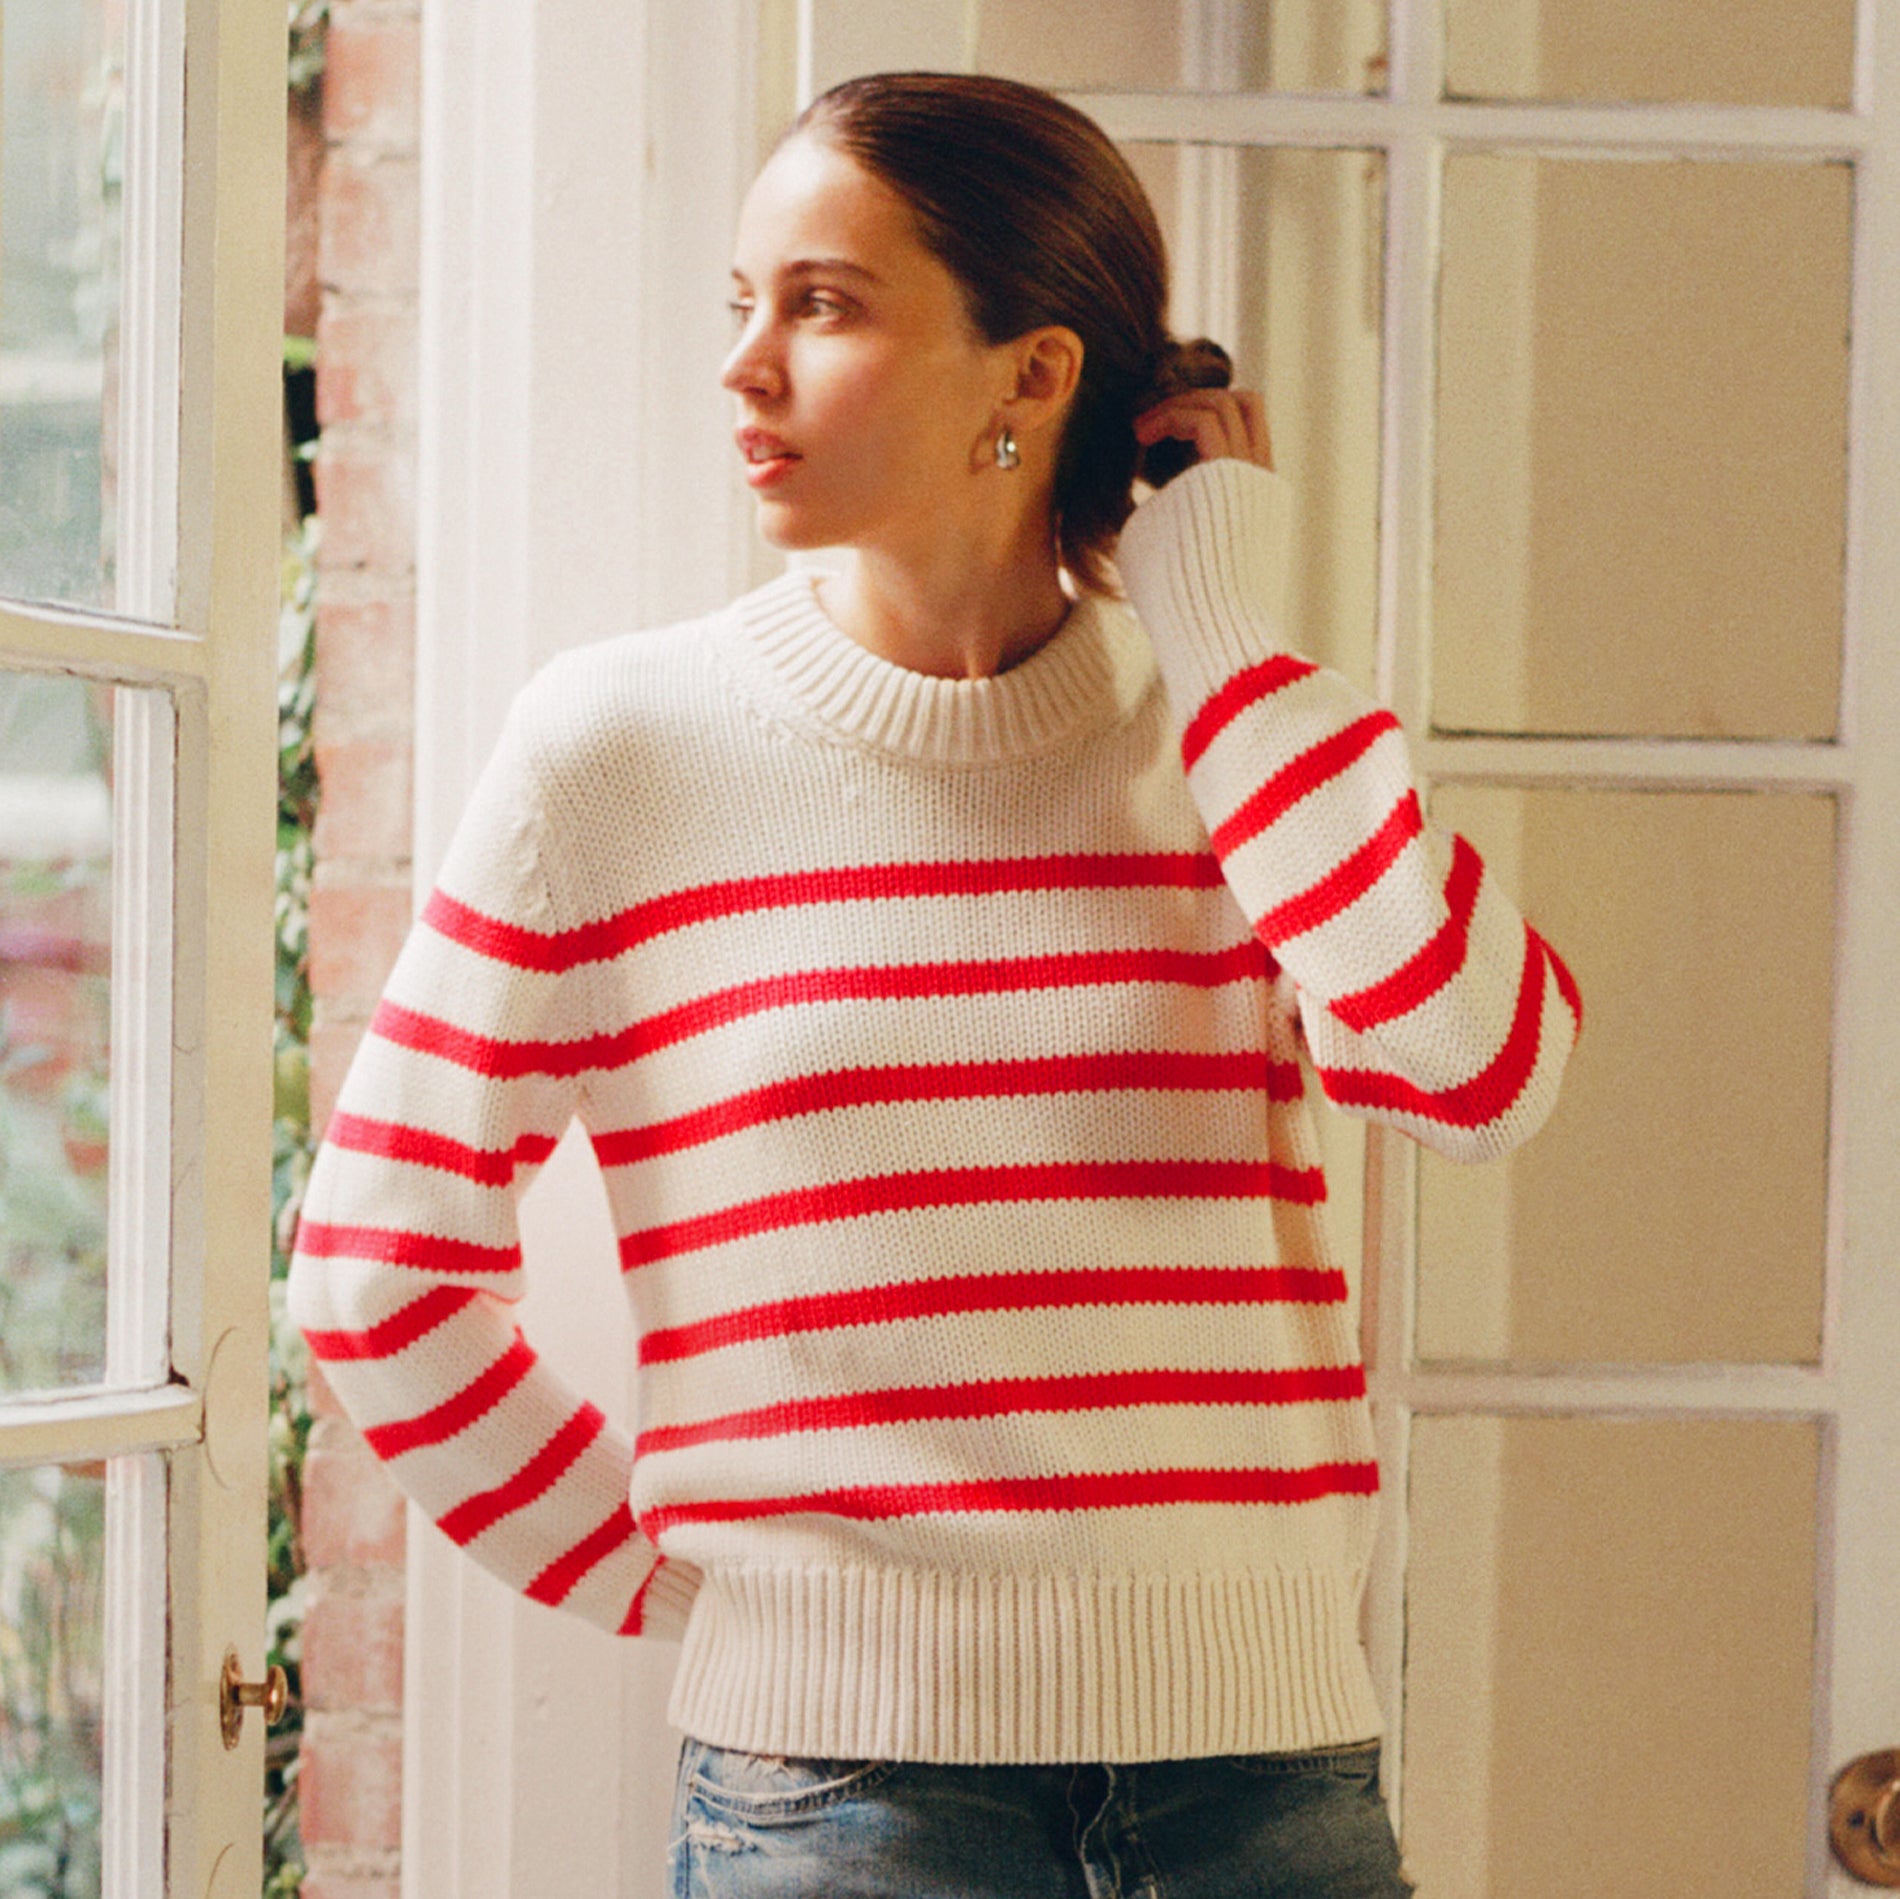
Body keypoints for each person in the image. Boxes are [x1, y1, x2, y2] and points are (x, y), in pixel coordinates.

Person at [289, 71, 1579, 1898]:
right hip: (847, 1812)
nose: (747, 364)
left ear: (1032, 374)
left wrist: (1214, 623)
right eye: (739, 302)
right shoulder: (618, 753)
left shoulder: (1241, 751)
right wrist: (709, 1596)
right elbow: (375, 1267)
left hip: (1271, 1795)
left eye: (821, 304)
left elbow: (1480, 1071)